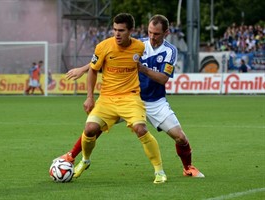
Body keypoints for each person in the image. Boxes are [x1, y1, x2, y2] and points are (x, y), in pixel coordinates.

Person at [58, 14, 204, 179]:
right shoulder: (139, 44)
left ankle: (188, 168)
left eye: (156, 34)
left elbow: (163, 79)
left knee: (180, 137)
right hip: (129, 98)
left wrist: (143, 69)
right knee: (94, 126)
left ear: (166, 33)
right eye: (149, 32)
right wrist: (83, 69)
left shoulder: (170, 51)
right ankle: (71, 156)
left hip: (155, 102)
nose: (152, 36)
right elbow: (104, 58)